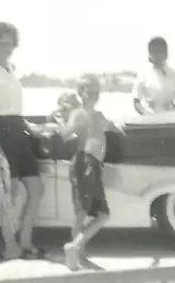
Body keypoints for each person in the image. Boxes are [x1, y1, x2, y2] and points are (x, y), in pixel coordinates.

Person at [0, 22, 46, 260]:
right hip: (2, 134)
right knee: (11, 194)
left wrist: (30, 128)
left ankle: (25, 241)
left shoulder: (11, 69)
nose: (6, 47)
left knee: (36, 189)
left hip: (19, 131)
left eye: (9, 43)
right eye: (0, 43)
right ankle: (10, 247)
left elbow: (14, 109)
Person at [51, 74, 112, 271]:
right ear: (81, 93)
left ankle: (77, 253)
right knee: (97, 214)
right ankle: (75, 248)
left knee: (86, 213)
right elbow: (66, 134)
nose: (94, 94)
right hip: (85, 163)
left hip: (92, 164)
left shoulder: (98, 115)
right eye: (89, 91)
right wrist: (59, 118)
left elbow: (108, 128)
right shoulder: (80, 113)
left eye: (97, 91)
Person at [132, 36, 175, 115]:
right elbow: (136, 101)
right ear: (149, 54)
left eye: (160, 51)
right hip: (149, 119)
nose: (157, 55)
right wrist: (145, 113)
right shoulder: (142, 76)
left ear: (166, 53)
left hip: (171, 119)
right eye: (153, 52)